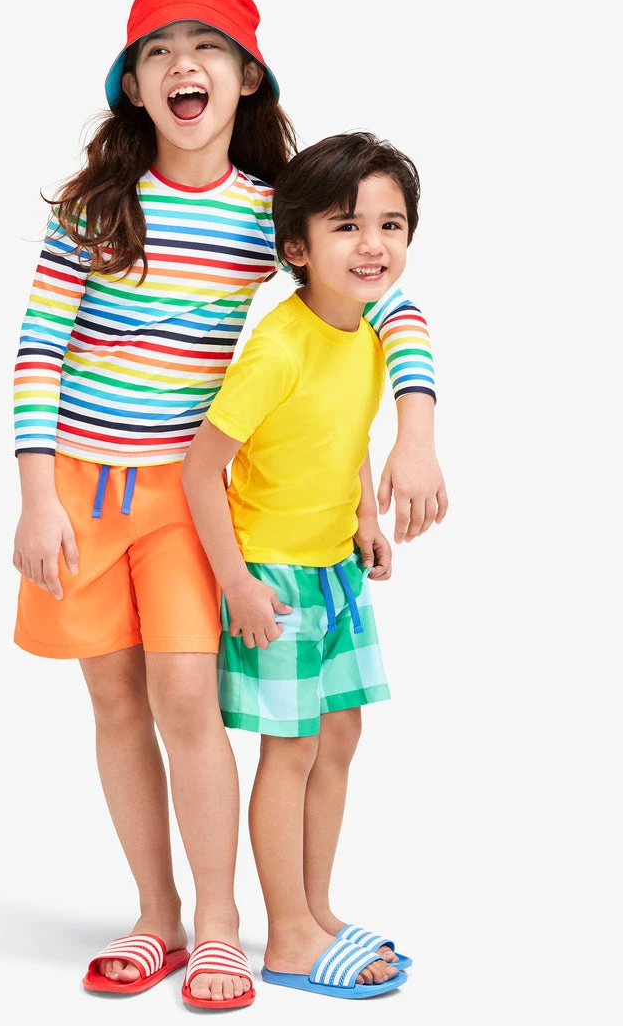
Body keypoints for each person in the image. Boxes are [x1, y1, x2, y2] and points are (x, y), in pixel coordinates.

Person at [10, 0, 444, 1007]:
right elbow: (38, 348)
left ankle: (218, 925)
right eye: (157, 51)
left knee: (185, 696)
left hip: (188, 498)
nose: (182, 65)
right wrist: (36, 495)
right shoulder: (97, 208)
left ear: (247, 76)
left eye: (206, 47)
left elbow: (380, 308)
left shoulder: (269, 212)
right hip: (79, 490)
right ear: (133, 86)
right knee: (115, 699)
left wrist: (413, 434)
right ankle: (156, 916)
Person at [181, 131, 446, 1000]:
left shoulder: (367, 330)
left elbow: (346, 432)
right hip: (277, 581)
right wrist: (236, 585)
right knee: (290, 750)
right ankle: (288, 937)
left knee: (339, 738)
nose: (372, 245)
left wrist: (365, 513)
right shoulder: (279, 348)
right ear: (296, 247)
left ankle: (315, 908)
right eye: (346, 225)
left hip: (335, 572)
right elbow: (202, 470)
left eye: (390, 225)